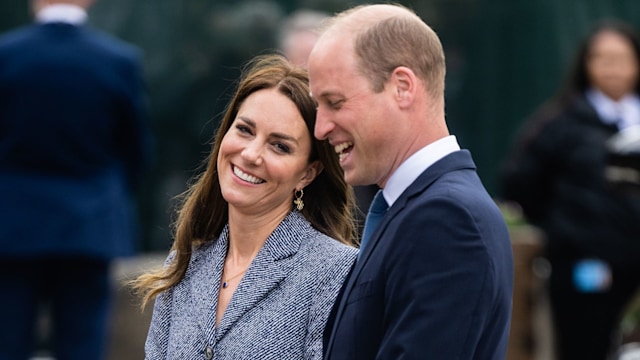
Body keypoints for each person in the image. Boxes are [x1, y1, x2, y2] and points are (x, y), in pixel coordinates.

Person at [307, 4, 514, 359]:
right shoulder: (417, 209)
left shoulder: (447, 220)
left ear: (402, 87)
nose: (320, 128)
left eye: (335, 102)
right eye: (318, 106)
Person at [134, 54, 358, 359]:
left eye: (279, 146)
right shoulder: (187, 262)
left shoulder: (336, 271)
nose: (251, 154)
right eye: (244, 130)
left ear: (307, 174)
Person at [0, 0, 152, 359]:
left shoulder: (6, 54)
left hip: (13, 224)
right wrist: (109, 195)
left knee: (7, 342)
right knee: (82, 344)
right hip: (89, 224)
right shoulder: (118, 59)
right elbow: (135, 148)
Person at [500, 19, 640, 360]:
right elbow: (520, 183)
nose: (613, 68)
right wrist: (566, 232)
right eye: (602, 58)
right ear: (586, 63)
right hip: (586, 269)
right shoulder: (560, 123)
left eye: (621, 58)